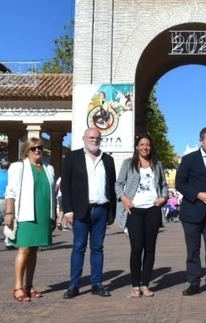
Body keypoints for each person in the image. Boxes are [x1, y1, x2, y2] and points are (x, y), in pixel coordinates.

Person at [61, 127, 117, 299]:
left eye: (97, 138)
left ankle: (97, 283)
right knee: (78, 247)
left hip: (101, 209)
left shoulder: (107, 159)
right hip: (80, 211)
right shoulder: (72, 157)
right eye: (91, 137)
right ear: (84, 138)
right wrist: (68, 210)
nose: (94, 140)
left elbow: (112, 185)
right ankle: (74, 285)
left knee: (98, 248)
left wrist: (112, 212)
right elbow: (66, 186)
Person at [115, 133, 169, 298]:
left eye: (148, 145)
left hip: (153, 209)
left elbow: (164, 185)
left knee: (150, 248)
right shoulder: (128, 164)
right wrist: (124, 198)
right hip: (135, 210)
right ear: (137, 147)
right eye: (142, 144)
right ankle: (135, 285)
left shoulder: (157, 164)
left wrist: (163, 197)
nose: (145, 147)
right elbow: (118, 184)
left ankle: (145, 284)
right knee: (137, 248)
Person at [4, 138, 56, 302]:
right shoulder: (18, 167)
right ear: (26, 151)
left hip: (42, 214)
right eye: (34, 148)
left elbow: (52, 194)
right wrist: (9, 213)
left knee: (34, 250)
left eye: (40, 147)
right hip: (25, 214)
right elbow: (10, 192)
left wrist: (53, 214)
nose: (38, 150)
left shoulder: (49, 168)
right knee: (24, 249)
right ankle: (17, 287)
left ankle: (29, 285)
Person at [175, 126, 206, 297]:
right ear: (201, 141)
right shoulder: (189, 159)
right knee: (193, 250)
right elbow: (180, 183)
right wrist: (197, 194)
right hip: (192, 212)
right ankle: (193, 283)